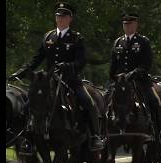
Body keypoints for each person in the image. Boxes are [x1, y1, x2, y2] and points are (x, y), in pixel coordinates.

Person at [9, 2, 103, 151]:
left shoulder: (76, 38)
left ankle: (95, 137)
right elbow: (36, 59)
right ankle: (26, 138)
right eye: (58, 15)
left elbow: (81, 61)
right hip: (49, 81)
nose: (60, 18)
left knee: (89, 103)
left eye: (63, 16)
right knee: (27, 106)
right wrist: (19, 72)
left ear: (70, 18)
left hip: (71, 80)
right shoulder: (48, 36)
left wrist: (67, 66)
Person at [109, 11, 161, 143]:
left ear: (136, 24)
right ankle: (103, 134)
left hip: (140, 81)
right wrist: (114, 77)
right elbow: (113, 65)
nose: (127, 26)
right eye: (125, 24)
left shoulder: (143, 41)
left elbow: (147, 63)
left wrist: (135, 72)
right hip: (121, 82)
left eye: (130, 24)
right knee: (104, 101)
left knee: (155, 101)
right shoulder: (117, 42)